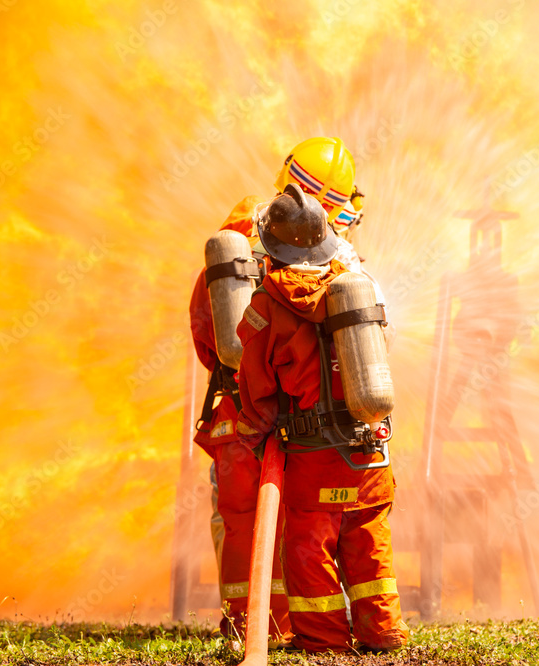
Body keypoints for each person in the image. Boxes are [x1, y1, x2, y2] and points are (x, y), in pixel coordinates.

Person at [188, 137, 364, 640]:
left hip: (243, 411)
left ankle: (253, 628)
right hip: (310, 416)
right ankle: (309, 625)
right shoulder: (332, 259)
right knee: (310, 521)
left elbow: (210, 331)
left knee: (243, 523)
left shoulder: (236, 240)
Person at [234, 183, 409, 653]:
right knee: (369, 544)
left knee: (310, 552)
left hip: (314, 460)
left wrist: (259, 431)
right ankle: (383, 632)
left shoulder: (266, 306)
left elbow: (255, 384)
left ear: (273, 249)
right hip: (371, 451)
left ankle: (324, 641)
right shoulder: (358, 286)